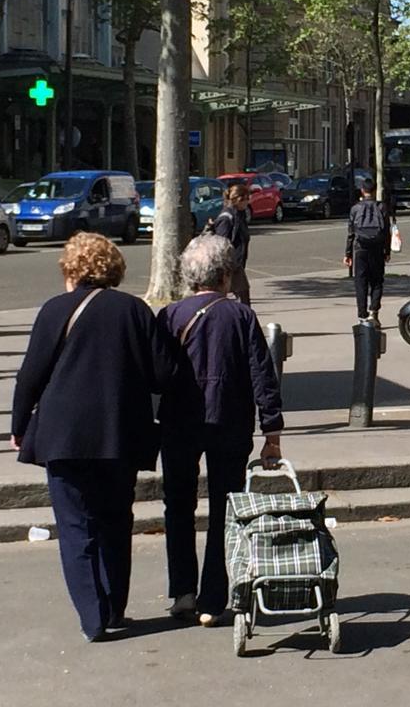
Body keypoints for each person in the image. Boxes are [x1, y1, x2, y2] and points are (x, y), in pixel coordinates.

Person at [10, 233, 176, 642]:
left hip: (62, 434)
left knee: (74, 525)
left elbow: (30, 376)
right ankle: (115, 605)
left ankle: (92, 616)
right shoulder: (134, 310)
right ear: (113, 269)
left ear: (70, 270)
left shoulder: (53, 311)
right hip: (118, 433)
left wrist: (18, 427)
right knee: (116, 521)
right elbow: (163, 373)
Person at [157, 235, 284, 627]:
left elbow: (154, 375)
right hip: (229, 420)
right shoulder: (241, 316)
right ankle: (213, 599)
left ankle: (183, 592)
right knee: (223, 511)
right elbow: (262, 374)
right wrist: (272, 431)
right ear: (226, 274)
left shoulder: (170, 316)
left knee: (177, 505)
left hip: (179, 421)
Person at [344, 179, 390, 325]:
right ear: (375, 190)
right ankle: (374, 311)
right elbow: (386, 231)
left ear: (362, 191)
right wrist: (387, 251)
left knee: (361, 282)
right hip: (377, 248)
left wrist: (348, 253)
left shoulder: (355, 208)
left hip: (360, 248)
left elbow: (351, 233)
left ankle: (362, 315)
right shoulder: (382, 207)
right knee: (377, 281)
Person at [213, 183, 251, 305]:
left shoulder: (239, 215)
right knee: (242, 295)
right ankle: (242, 320)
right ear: (238, 199)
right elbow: (220, 242)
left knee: (239, 294)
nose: (248, 202)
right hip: (229, 264)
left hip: (235, 263)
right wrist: (227, 263)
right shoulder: (227, 217)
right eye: (246, 199)